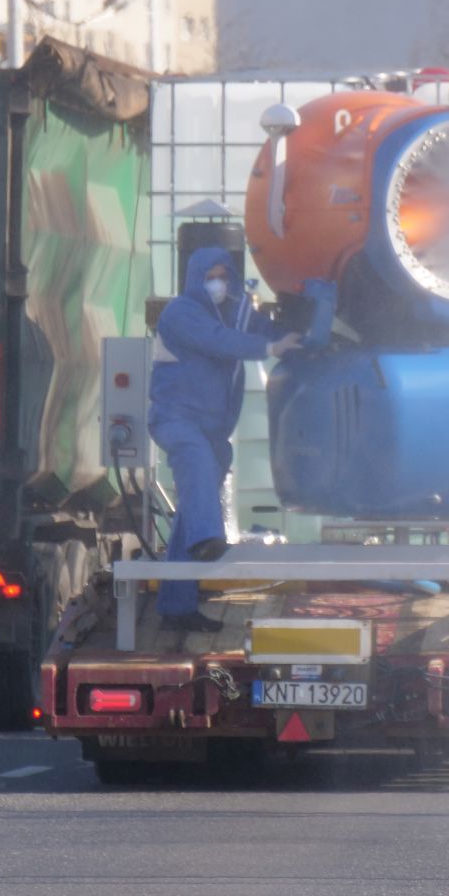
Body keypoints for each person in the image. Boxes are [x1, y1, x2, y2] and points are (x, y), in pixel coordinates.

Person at [149, 246, 301, 622]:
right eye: (210, 276)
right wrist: (268, 347)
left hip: (213, 428)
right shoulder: (182, 312)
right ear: (195, 278)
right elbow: (218, 340)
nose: (217, 283)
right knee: (196, 465)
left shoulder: (234, 313)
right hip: (177, 418)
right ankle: (207, 541)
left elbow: (262, 329)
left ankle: (177, 605)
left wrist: (295, 330)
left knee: (190, 506)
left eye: (223, 276)